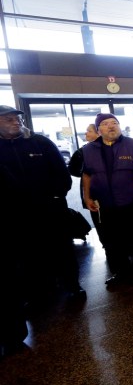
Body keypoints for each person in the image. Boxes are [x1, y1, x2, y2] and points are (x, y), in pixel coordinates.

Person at [0, 106, 85, 357]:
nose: (15, 121)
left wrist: (55, 197)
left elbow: (62, 174)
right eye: (8, 119)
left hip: (49, 209)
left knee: (62, 248)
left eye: (17, 118)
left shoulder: (40, 143)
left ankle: (72, 285)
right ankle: (38, 292)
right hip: (14, 217)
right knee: (26, 255)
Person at [82, 113, 133, 286]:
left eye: (115, 123)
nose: (111, 126)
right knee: (113, 241)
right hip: (107, 204)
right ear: (99, 129)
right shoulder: (88, 149)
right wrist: (87, 196)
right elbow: (87, 174)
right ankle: (121, 272)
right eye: (106, 124)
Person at [68, 123, 99, 207]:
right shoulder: (82, 151)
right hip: (90, 191)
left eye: (89, 131)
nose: (86, 133)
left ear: (99, 134)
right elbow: (72, 170)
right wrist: (85, 173)